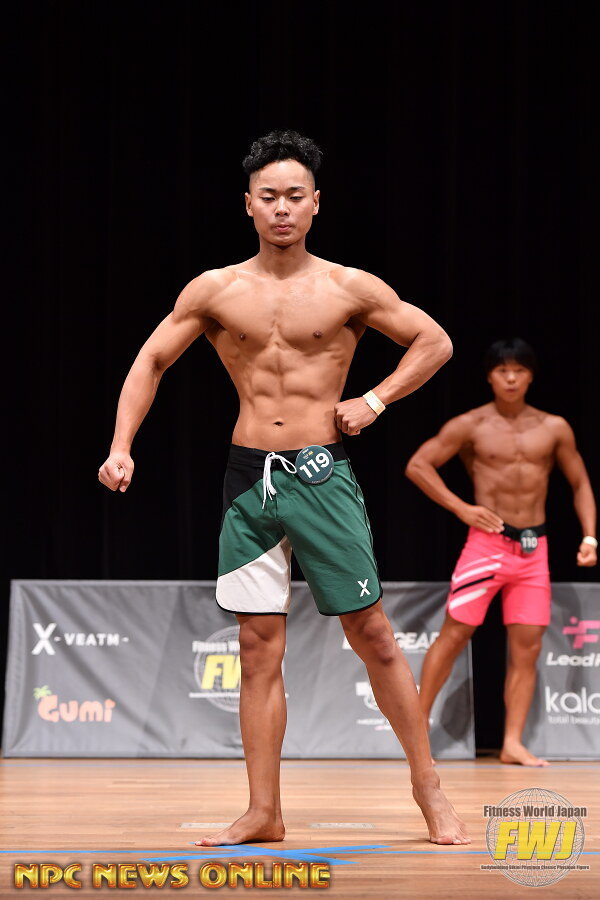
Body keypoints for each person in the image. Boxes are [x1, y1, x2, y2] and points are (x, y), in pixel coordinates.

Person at [98, 130, 469, 844]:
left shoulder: (348, 287)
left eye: (295, 196)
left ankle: (430, 789)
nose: (282, 209)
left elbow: (435, 342)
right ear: (248, 204)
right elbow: (151, 360)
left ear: (316, 203)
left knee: (374, 636)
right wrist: (121, 446)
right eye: (268, 196)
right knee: (256, 644)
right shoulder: (216, 289)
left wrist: (376, 400)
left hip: (322, 475)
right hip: (249, 483)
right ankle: (263, 810)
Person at [405, 338, 597, 767]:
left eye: (519, 370)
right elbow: (418, 464)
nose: (511, 378)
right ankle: (416, 733)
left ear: (531, 376)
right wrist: (462, 508)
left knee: (527, 648)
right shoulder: (471, 424)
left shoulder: (554, 427)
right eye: (502, 370)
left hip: (534, 551)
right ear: (490, 376)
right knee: (453, 636)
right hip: (486, 545)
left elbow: (580, 482)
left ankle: (511, 743)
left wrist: (590, 537)